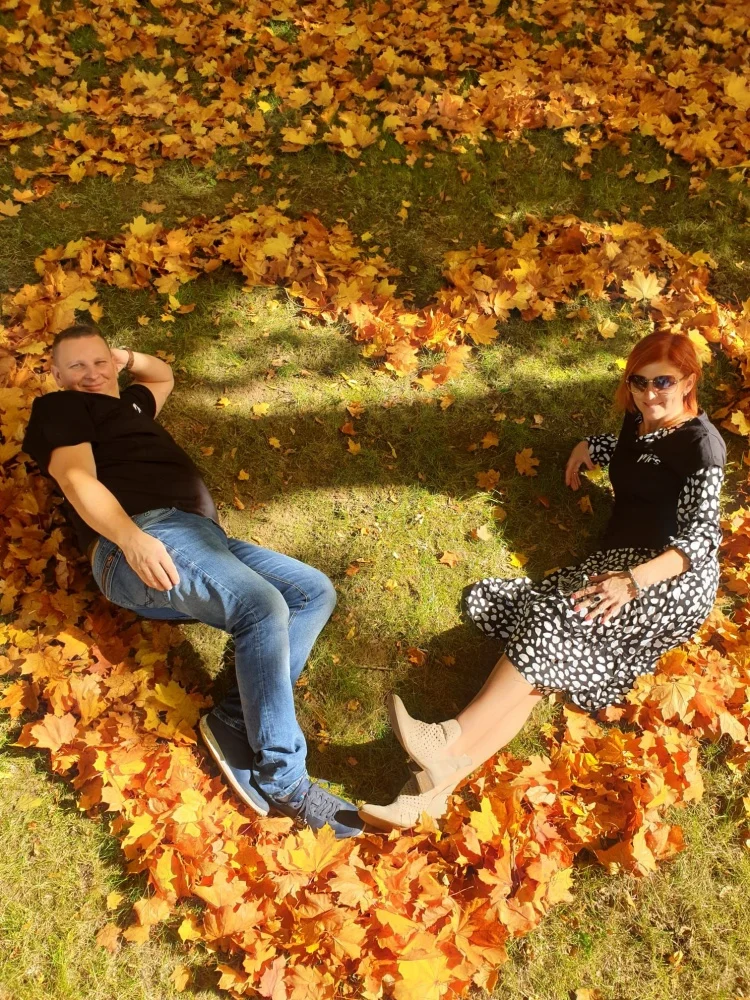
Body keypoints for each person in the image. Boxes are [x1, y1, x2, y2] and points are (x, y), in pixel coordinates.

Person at [359, 331, 726, 830]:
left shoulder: (702, 446)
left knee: (554, 621)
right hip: (619, 560)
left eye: (662, 382)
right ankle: (429, 795)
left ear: (688, 381)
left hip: (667, 579)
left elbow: (701, 540)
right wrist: (589, 447)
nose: (649, 394)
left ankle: (445, 738)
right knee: (538, 642)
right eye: (638, 382)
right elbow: (632, 451)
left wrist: (631, 582)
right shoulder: (641, 418)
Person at [22, 324, 364, 839]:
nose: (90, 374)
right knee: (261, 607)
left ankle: (235, 719)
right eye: (76, 365)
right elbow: (76, 478)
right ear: (56, 375)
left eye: (98, 362)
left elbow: (162, 376)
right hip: (139, 540)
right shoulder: (63, 408)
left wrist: (122, 356)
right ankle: (286, 780)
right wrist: (131, 539)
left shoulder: (131, 407)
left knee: (312, 592)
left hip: (202, 539)